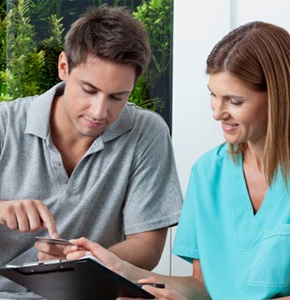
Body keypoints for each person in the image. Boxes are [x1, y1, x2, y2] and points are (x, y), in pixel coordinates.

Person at [64, 21, 290, 299]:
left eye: (234, 101)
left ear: (279, 97)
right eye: (213, 95)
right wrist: (118, 268)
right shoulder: (209, 172)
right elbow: (203, 288)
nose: (218, 113)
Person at [0, 4, 183, 299]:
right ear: (64, 67)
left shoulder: (148, 133)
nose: (99, 111)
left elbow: (148, 245)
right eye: (89, 90)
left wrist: (89, 258)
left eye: (118, 96)